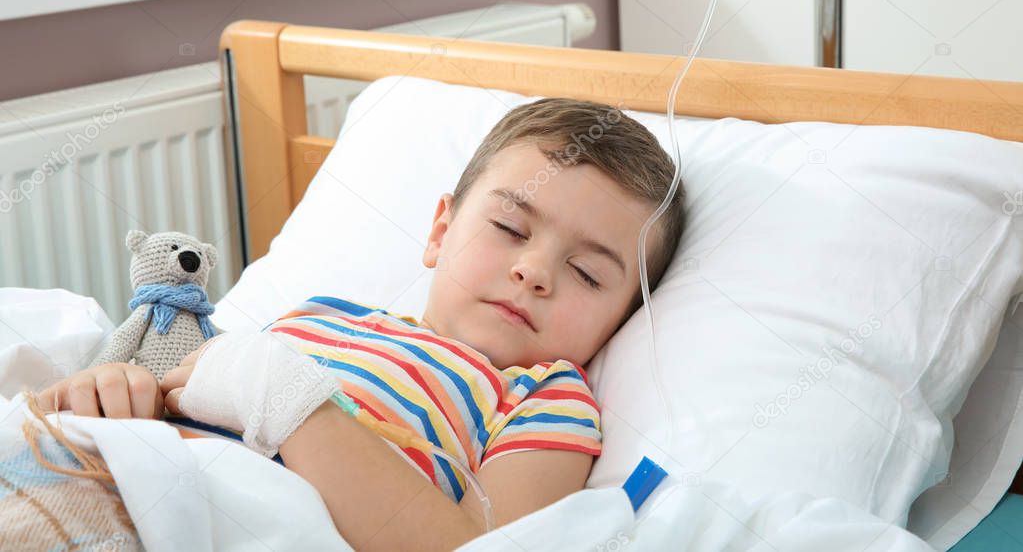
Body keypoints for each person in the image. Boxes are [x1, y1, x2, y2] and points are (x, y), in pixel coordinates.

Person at [37, 97, 687, 551]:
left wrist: (283, 397)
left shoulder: (546, 398)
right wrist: (114, 390)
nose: (534, 271)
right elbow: (181, 392)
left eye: (588, 274)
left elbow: (473, 546)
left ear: (621, 319)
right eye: (510, 228)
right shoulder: (319, 316)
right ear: (439, 231)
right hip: (111, 478)